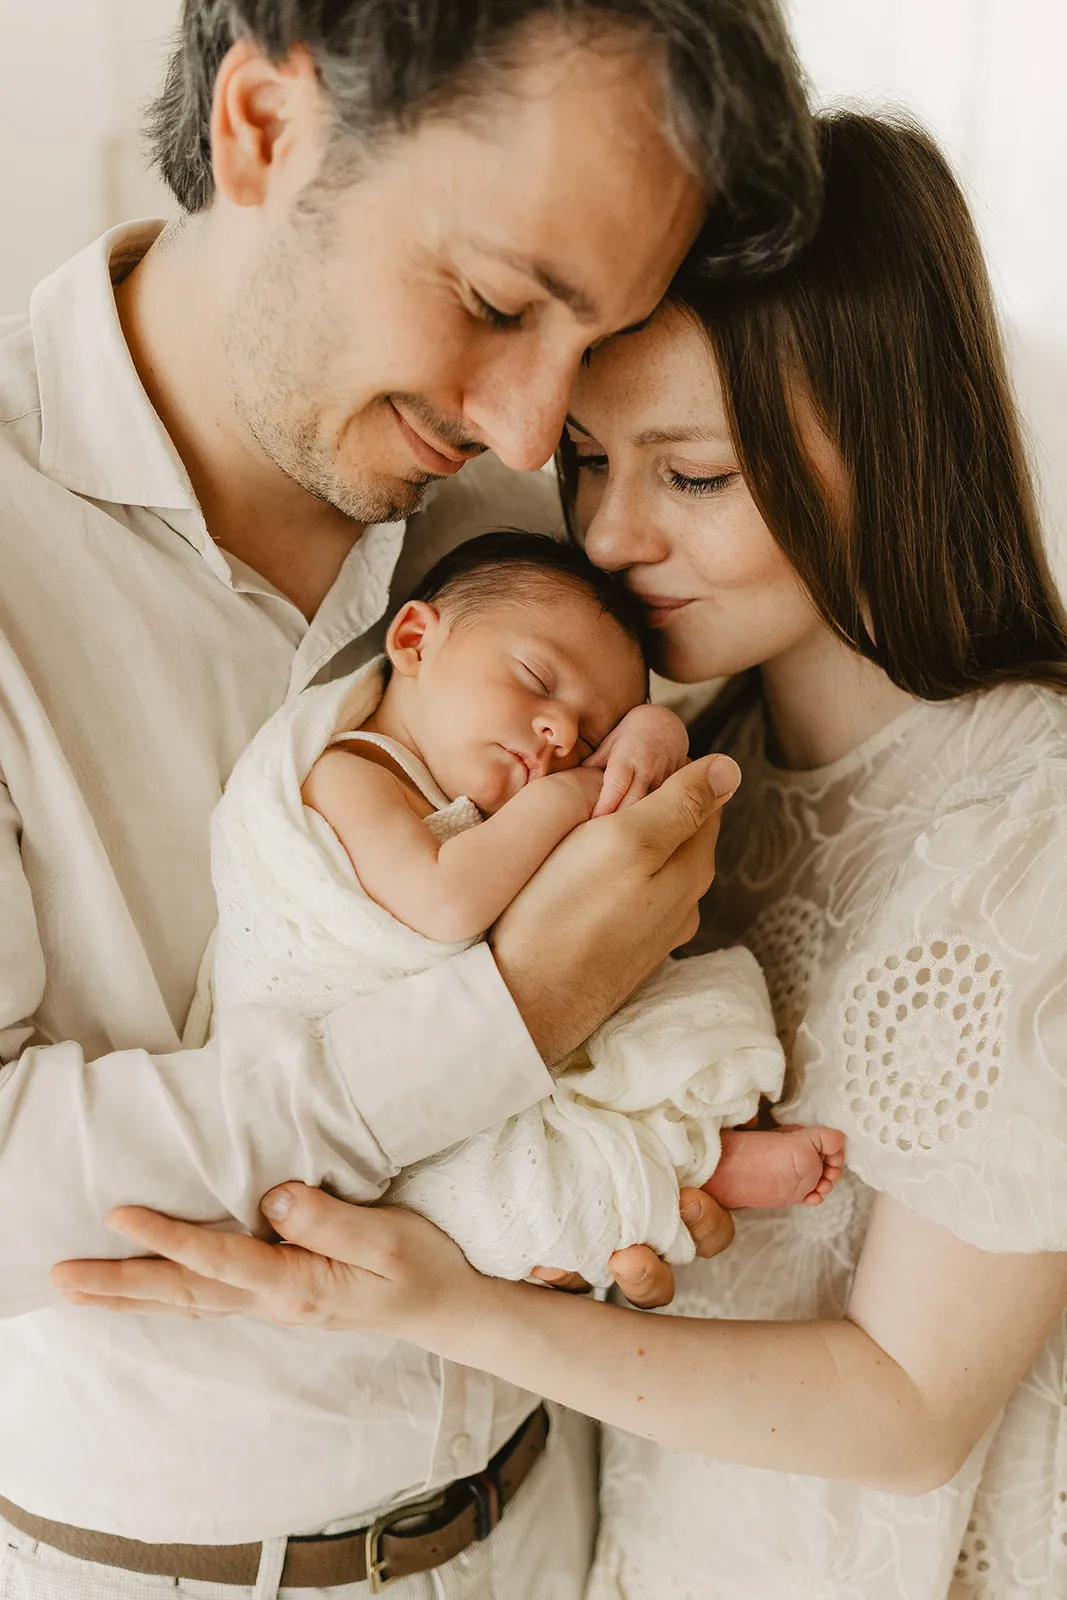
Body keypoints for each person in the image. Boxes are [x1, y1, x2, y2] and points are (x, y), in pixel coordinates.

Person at [71, 111, 1067, 1599]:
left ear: (890, 433)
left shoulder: (1023, 823)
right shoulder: (667, 763)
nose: (605, 535)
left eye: (696, 477)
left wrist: (438, 1301)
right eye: (589, 462)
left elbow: (911, 1415)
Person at [0, 0, 821, 1595]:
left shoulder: (551, 514)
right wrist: (503, 1014)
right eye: (498, 301)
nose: (527, 426)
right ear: (260, 125)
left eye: (589, 347)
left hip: (571, 1520)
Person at [194, 527, 841, 1286]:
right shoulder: (352, 772)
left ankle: (693, 1120)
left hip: (498, 1026)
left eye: (590, 735)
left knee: (684, 999)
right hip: (359, 1068)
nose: (561, 732)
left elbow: (619, 832)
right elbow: (445, 903)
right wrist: (569, 792)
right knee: (490, 1186)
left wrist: (650, 732)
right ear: (412, 641)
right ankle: (684, 1163)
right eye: (537, 679)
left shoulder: (492, 795)